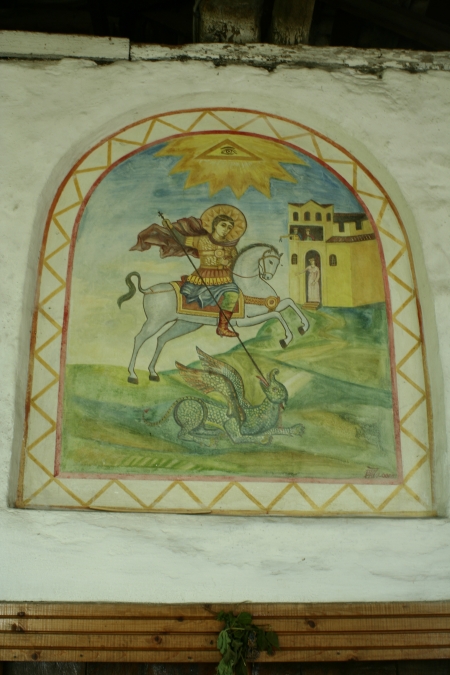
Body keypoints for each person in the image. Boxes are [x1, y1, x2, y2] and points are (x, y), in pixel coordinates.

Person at [130, 204, 246, 338]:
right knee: (225, 293)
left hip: (224, 277)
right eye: (223, 225)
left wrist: (228, 263)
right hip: (203, 276)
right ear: (215, 225)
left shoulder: (230, 246)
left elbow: (235, 263)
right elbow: (182, 240)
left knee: (233, 294)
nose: (226, 229)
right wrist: (171, 228)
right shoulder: (201, 240)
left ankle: (222, 327)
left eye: (229, 227)